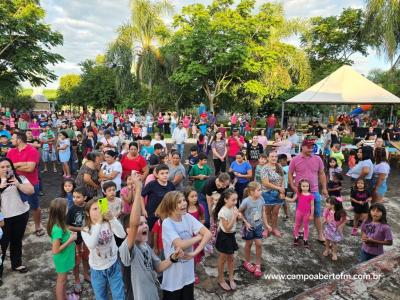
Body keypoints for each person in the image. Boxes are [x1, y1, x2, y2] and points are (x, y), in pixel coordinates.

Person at [119, 173, 184, 300]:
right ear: (128, 231)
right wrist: (138, 191)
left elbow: (158, 267)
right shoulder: (126, 249)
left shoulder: (145, 246)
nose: (145, 226)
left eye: (145, 223)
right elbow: (133, 224)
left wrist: (172, 258)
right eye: (140, 224)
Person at [156, 191, 211, 299]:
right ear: (171, 206)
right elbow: (180, 244)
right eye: (179, 202)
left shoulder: (187, 217)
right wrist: (199, 237)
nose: (184, 204)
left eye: (184, 200)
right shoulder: (167, 223)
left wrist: (194, 253)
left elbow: (208, 234)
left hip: (188, 276)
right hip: (173, 279)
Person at [81, 199, 126, 300]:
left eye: (100, 208)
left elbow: (122, 234)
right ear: (88, 213)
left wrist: (112, 219)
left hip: (113, 264)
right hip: (97, 268)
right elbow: (92, 245)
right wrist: (99, 223)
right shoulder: (85, 230)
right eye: (95, 209)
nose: (98, 210)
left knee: (118, 294)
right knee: (100, 296)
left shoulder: (109, 223)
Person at [288, 138, 328, 243]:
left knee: (317, 213)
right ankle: (299, 231)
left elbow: (322, 173)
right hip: (300, 192)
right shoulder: (295, 159)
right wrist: (292, 185)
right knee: (300, 212)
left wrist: (324, 188)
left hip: (314, 191)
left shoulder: (318, 159)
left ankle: (320, 234)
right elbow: (290, 173)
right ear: (303, 147)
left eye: (312, 147)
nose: (311, 149)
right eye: (309, 147)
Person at [0, 157, 34, 275]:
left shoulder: (20, 178)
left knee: (16, 241)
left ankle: (17, 264)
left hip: (21, 214)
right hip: (2, 219)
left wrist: (18, 184)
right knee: (1, 246)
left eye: (8, 166)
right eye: (2, 167)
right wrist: (2, 184)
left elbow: (31, 191)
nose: (6, 169)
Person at [7, 132, 42, 236]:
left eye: (12, 138)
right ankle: (19, 228)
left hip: (31, 183)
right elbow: (8, 168)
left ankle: (37, 226)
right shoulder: (11, 152)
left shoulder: (32, 150)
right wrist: (22, 164)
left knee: (35, 206)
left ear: (19, 140)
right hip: (14, 183)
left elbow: (30, 169)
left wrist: (15, 165)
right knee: (17, 206)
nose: (10, 140)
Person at [47, 198, 77, 300]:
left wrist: (70, 234)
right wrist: (71, 239)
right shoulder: (57, 229)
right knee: (61, 280)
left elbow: (65, 234)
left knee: (63, 280)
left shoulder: (60, 224)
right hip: (62, 259)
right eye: (67, 207)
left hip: (65, 257)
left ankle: (65, 297)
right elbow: (55, 250)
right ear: (62, 211)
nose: (68, 208)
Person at [214, 188, 240, 291]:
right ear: (225, 200)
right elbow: (227, 228)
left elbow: (236, 220)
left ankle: (231, 277)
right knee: (223, 258)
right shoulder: (223, 212)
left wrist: (240, 217)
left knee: (231, 258)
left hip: (231, 235)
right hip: (225, 237)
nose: (235, 202)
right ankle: (220, 279)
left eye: (236, 199)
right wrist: (234, 217)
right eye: (233, 200)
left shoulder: (233, 207)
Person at [66, 187, 90, 295]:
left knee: (85, 256)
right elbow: (67, 226)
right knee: (76, 261)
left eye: (78, 197)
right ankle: (76, 280)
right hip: (75, 239)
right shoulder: (71, 209)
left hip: (87, 238)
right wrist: (80, 229)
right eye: (74, 196)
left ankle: (86, 274)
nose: (75, 199)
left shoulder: (88, 207)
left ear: (85, 198)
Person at [239, 182, 265, 278]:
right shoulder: (246, 201)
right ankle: (247, 262)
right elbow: (239, 212)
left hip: (258, 225)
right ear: (251, 192)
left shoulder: (261, 199)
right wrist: (246, 222)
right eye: (259, 190)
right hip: (249, 227)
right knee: (249, 244)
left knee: (259, 244)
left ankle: (258, 264)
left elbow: (263, 212)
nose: (261, 192)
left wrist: (266, 225)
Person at [142, 164, 176, 231]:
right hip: (151, 214)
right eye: (162, 173)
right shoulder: (152, 184)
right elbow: (142, 195)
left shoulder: (171, 185)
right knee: (150, 231)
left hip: (165, 214)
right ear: (157, 175)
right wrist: (143, 209)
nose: (165, 175)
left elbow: (173, 198)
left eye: (167, 173)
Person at [184, 186, 205, 284]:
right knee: (187, 254)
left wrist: (200, 229)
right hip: (187, 237)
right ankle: (186, 271)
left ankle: (193, 273)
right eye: (192, 196)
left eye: (196, 196)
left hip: (196, 236)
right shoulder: (184, 209)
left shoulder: (199, 207)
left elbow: (202, 219)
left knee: (195, 255)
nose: (195, 198)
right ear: (186, 198)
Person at [261, 150, 284, 238]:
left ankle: (274, 228)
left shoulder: (279, 166)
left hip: (278, 194)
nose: (274, 158)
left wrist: (282, 190)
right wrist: (278, 188)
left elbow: (282, 179)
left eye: (275, 156)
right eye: (272, 156)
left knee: (275, 212)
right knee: (267, 212)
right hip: (267, 193)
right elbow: (265, 182)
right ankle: (267, 228)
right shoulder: (264, 168)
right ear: (268, 158)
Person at [287, 179, 314, 248]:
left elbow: (312, 206)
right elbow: (292, 200)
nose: (305, 188)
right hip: (299, 212)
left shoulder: (311, 196)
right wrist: (284, 197)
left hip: (307, 213)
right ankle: (296, 237)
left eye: (307, 186)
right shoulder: (298, 193)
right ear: (300, 186)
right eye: (303, 186)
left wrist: (311, 215)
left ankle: (305, 239)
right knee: (297, 225)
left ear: (309, 187)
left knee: (306, 226)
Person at [322, 196, 347, 261]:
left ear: (333, 205)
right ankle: (327, 249)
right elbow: (324, 215)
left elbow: (345, 220)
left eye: (328, 203)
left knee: (334, 242)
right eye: (327, 202)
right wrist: (324, 220)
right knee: (327, 239)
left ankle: (334, 253)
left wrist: (341, 226)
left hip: (335, 229)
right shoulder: (327, 209)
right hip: (328, 227)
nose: (326, 204)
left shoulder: (341, 212)